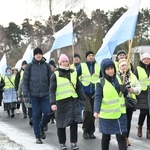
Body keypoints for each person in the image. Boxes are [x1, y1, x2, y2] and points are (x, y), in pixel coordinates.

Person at [50, 54, 85, 150]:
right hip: (61, 102)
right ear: (60, 63)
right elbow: (52, 90)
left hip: (73, 100)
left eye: (66, 61)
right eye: (63, 61)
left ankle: (74, 142)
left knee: (74, 123)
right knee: (61, 124)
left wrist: (83, 99)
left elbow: (78, 87)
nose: (65, 63)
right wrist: (53, 103)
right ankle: (62, 143)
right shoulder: (55, 75)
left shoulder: (74, 73)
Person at [94, 58, 127, 150]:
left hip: (120, 114)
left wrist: (125, 90)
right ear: (104, 71)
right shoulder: (100, 82)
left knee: (121, 137)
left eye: (112, 68)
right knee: (106, 138)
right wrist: (96, 110)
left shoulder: (119, 78)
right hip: (107, 116)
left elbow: (124, 95)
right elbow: (97, 97)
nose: (110, 71)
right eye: (108, 69)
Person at [23, 47, 52, 144]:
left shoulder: (47, 66)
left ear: (42, 55)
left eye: (40, 53)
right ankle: (38, 136)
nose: (38, 55)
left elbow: (51, 81)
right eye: (37, 54)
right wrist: (25, 95)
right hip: (34, 95)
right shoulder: (29, 67)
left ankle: (41, 127)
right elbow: (25, 81)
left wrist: (52, 93)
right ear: (34, 55)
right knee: (36, 115)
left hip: (45, 94)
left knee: (47, 113)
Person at [77, 50, 101, 139]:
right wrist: (79, 86)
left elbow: (102, 78)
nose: (91, 57)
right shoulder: (82, 66)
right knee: (88, 111)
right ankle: (85, 130)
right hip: (85, 93)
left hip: (95, 93)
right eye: (89, 55)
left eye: (92, 55)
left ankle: (91, 131)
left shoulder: (98, 66)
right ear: (86, 57)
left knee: (93, 113)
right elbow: (75, 76)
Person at [117, 59, 141, 146]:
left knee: (128, 121)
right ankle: (121, 138)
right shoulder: (116, 76)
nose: (124, 67)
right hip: (119, 103)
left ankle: (126, 138)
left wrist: (132, 89)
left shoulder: (132, 76)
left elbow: (139, 87)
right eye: (122, 65)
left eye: (126, 65)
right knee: (121, 121)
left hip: (129, 102)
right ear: (119, 67)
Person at [134, 53, 150, 139]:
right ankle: (140, 127)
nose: (147, 60)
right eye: (145, 59)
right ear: (142, 60)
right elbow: (134, 80)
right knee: (143, 112)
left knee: (149, 113)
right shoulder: (138, 69)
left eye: (148, 59)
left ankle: (148, 131)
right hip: (142, 93)